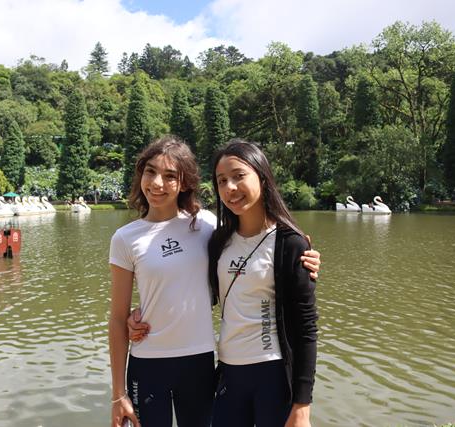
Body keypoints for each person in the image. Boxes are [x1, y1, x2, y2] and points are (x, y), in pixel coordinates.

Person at [109, 136, 321, 427]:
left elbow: (259, 247)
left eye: (170, 175)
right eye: (150, 171)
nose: (157, 183)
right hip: (152, 362)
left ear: (185, 182)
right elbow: (121, 314)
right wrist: (118, 392)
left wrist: (304, 255)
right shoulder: (127, 238)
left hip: (202, 362)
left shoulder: (207, 225)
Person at [209, 139, 318, 427]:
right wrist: (142, 317)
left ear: (262, 176)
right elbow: (196, 296)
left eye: (238, 176)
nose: (230, 188)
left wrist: (302, 405)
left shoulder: (290, 243)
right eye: (222, 181)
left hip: (273, 374)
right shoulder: (219, 242)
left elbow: (306, 327)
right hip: (229, 373)